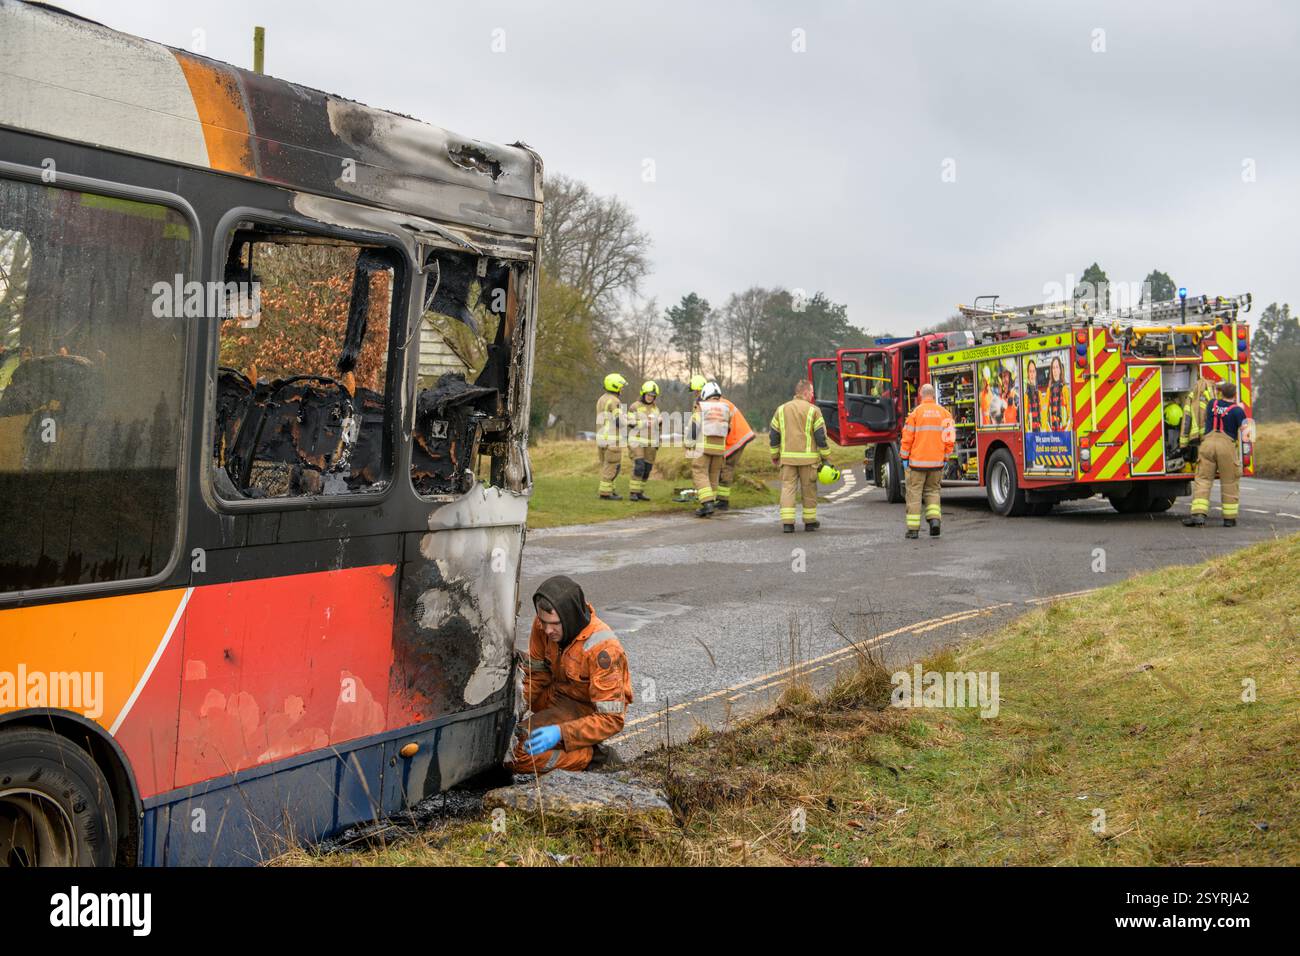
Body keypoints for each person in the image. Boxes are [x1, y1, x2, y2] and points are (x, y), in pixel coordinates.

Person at [512, 575, 633, 774]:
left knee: (515, 754)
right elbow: (535, 676)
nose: (547, 630)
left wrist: (561, 733)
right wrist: (515, 711)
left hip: (584, 710)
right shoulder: (543, 625)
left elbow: (611, 719)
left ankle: (590, 758)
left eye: (554, 624)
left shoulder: (604, 649)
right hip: (555, 697)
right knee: (507, 743)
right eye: (543, 622)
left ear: (570, 618)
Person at [769, 379, 831, 532]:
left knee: (788, 489)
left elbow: (774, 435)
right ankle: (809, 522)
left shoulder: (781, 409)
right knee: (809, 489)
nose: (812, 395)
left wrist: (775, 455)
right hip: (808, 460)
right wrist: (826, 458)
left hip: (787, 459)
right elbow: (821, 437)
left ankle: (788, 524)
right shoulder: (813, 410)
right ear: (805, 392)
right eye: (811, 393)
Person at [1183, 381, 1246, 528]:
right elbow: (1246, 432)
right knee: (1229, 482)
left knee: (1203, 480)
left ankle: (1198, 515)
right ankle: (1229, 519)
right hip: (1226, 446)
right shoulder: (1237, 411)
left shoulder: (1212, 404)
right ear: (1235, 395)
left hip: (1208, 444)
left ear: (1220, 393)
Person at [900, 382, 955, 539]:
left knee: (914, 494)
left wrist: (904, 457)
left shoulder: (915, 414)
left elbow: (907, 439)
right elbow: (949, 439)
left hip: (917, 463)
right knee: (933, 492)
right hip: (936, 463)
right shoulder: (945, 414)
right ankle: (935, 522)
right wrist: (945, 457)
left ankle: (913, 530)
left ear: (920, 394)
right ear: (933, 395)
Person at [689, 381, 732, 517]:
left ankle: (707, 504)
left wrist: (689, 444)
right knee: (713, 475)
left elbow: (694, 427)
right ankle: (711, 504)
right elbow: (728, 428)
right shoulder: (726, 408)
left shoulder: (702, 407)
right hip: (719, 449)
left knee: (700, 472)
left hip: (703, 447)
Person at [714, 385, 755, 511]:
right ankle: (721, 499)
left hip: (736, 439)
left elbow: (722, 427)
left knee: (726, 468)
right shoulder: (722, 403)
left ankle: (723, 501)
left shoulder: (719, 405)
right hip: (739, 437)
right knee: (725, 467)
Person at [627, 380, 661, 501]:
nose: (650, 398)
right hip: (636, 441)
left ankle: (640, 492)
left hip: (651, 443)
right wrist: (645, 422)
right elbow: (630, 423)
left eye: (653, 396)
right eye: (648, 395)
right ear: (643, 394)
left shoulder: (656, 409)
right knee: (639, 466)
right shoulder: (634, 406)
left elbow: (658, 428)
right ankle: (633, 492)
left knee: (647, 469)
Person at [595, 373, 626, 499]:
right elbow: (619, 421)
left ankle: (610, 490)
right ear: (616, 386)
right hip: (612, 440)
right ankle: (605, 493)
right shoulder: (615, 401)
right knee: (612, 466)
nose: (622, 389)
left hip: (601, 438)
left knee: (606, 465)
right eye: (621, 386)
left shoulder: (601, 399)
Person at [1178, 376, 1215, 464]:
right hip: (1213, 436)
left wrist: (1183, 444)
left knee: (1204, 466)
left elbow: (1186, 420)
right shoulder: (1214, 398)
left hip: (1200, 436)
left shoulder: (1192, 398)